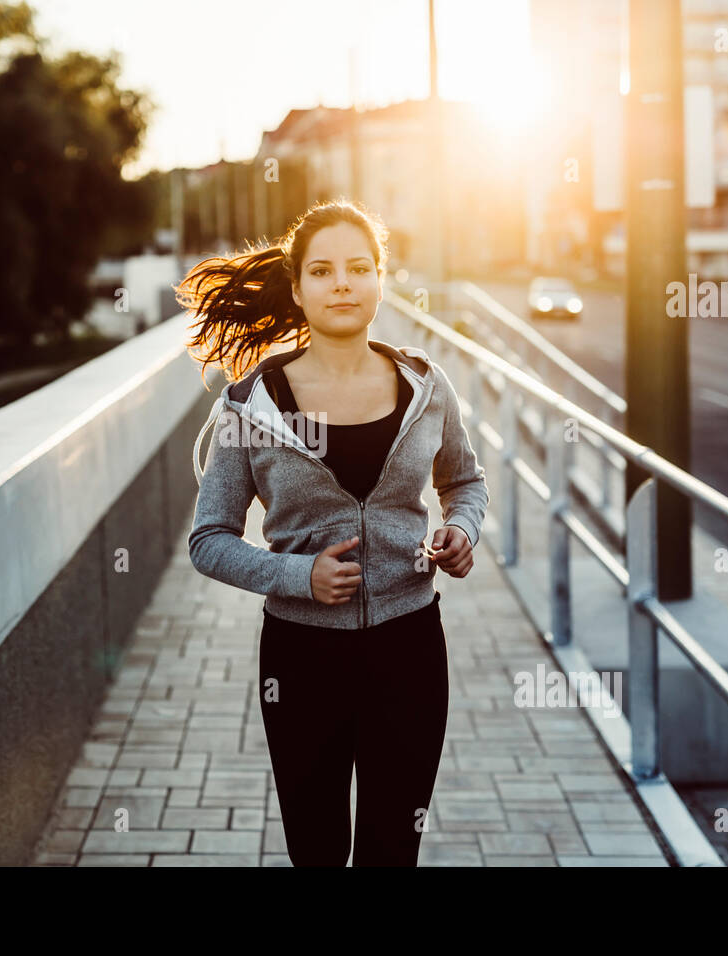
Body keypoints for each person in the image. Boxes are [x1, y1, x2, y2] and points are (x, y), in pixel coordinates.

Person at [179, 198, 489, 866]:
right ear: (298, 289)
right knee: (316, 850)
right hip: (300, 662)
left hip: (410, 652)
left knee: (391, 850)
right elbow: (209, 539)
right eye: (322, 271)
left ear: (382, 279)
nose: (342, 283)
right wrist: (299, 575)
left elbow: (464, 482)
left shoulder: (427, 387)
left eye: (358, 267)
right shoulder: (249, 403)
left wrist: (462, 531)